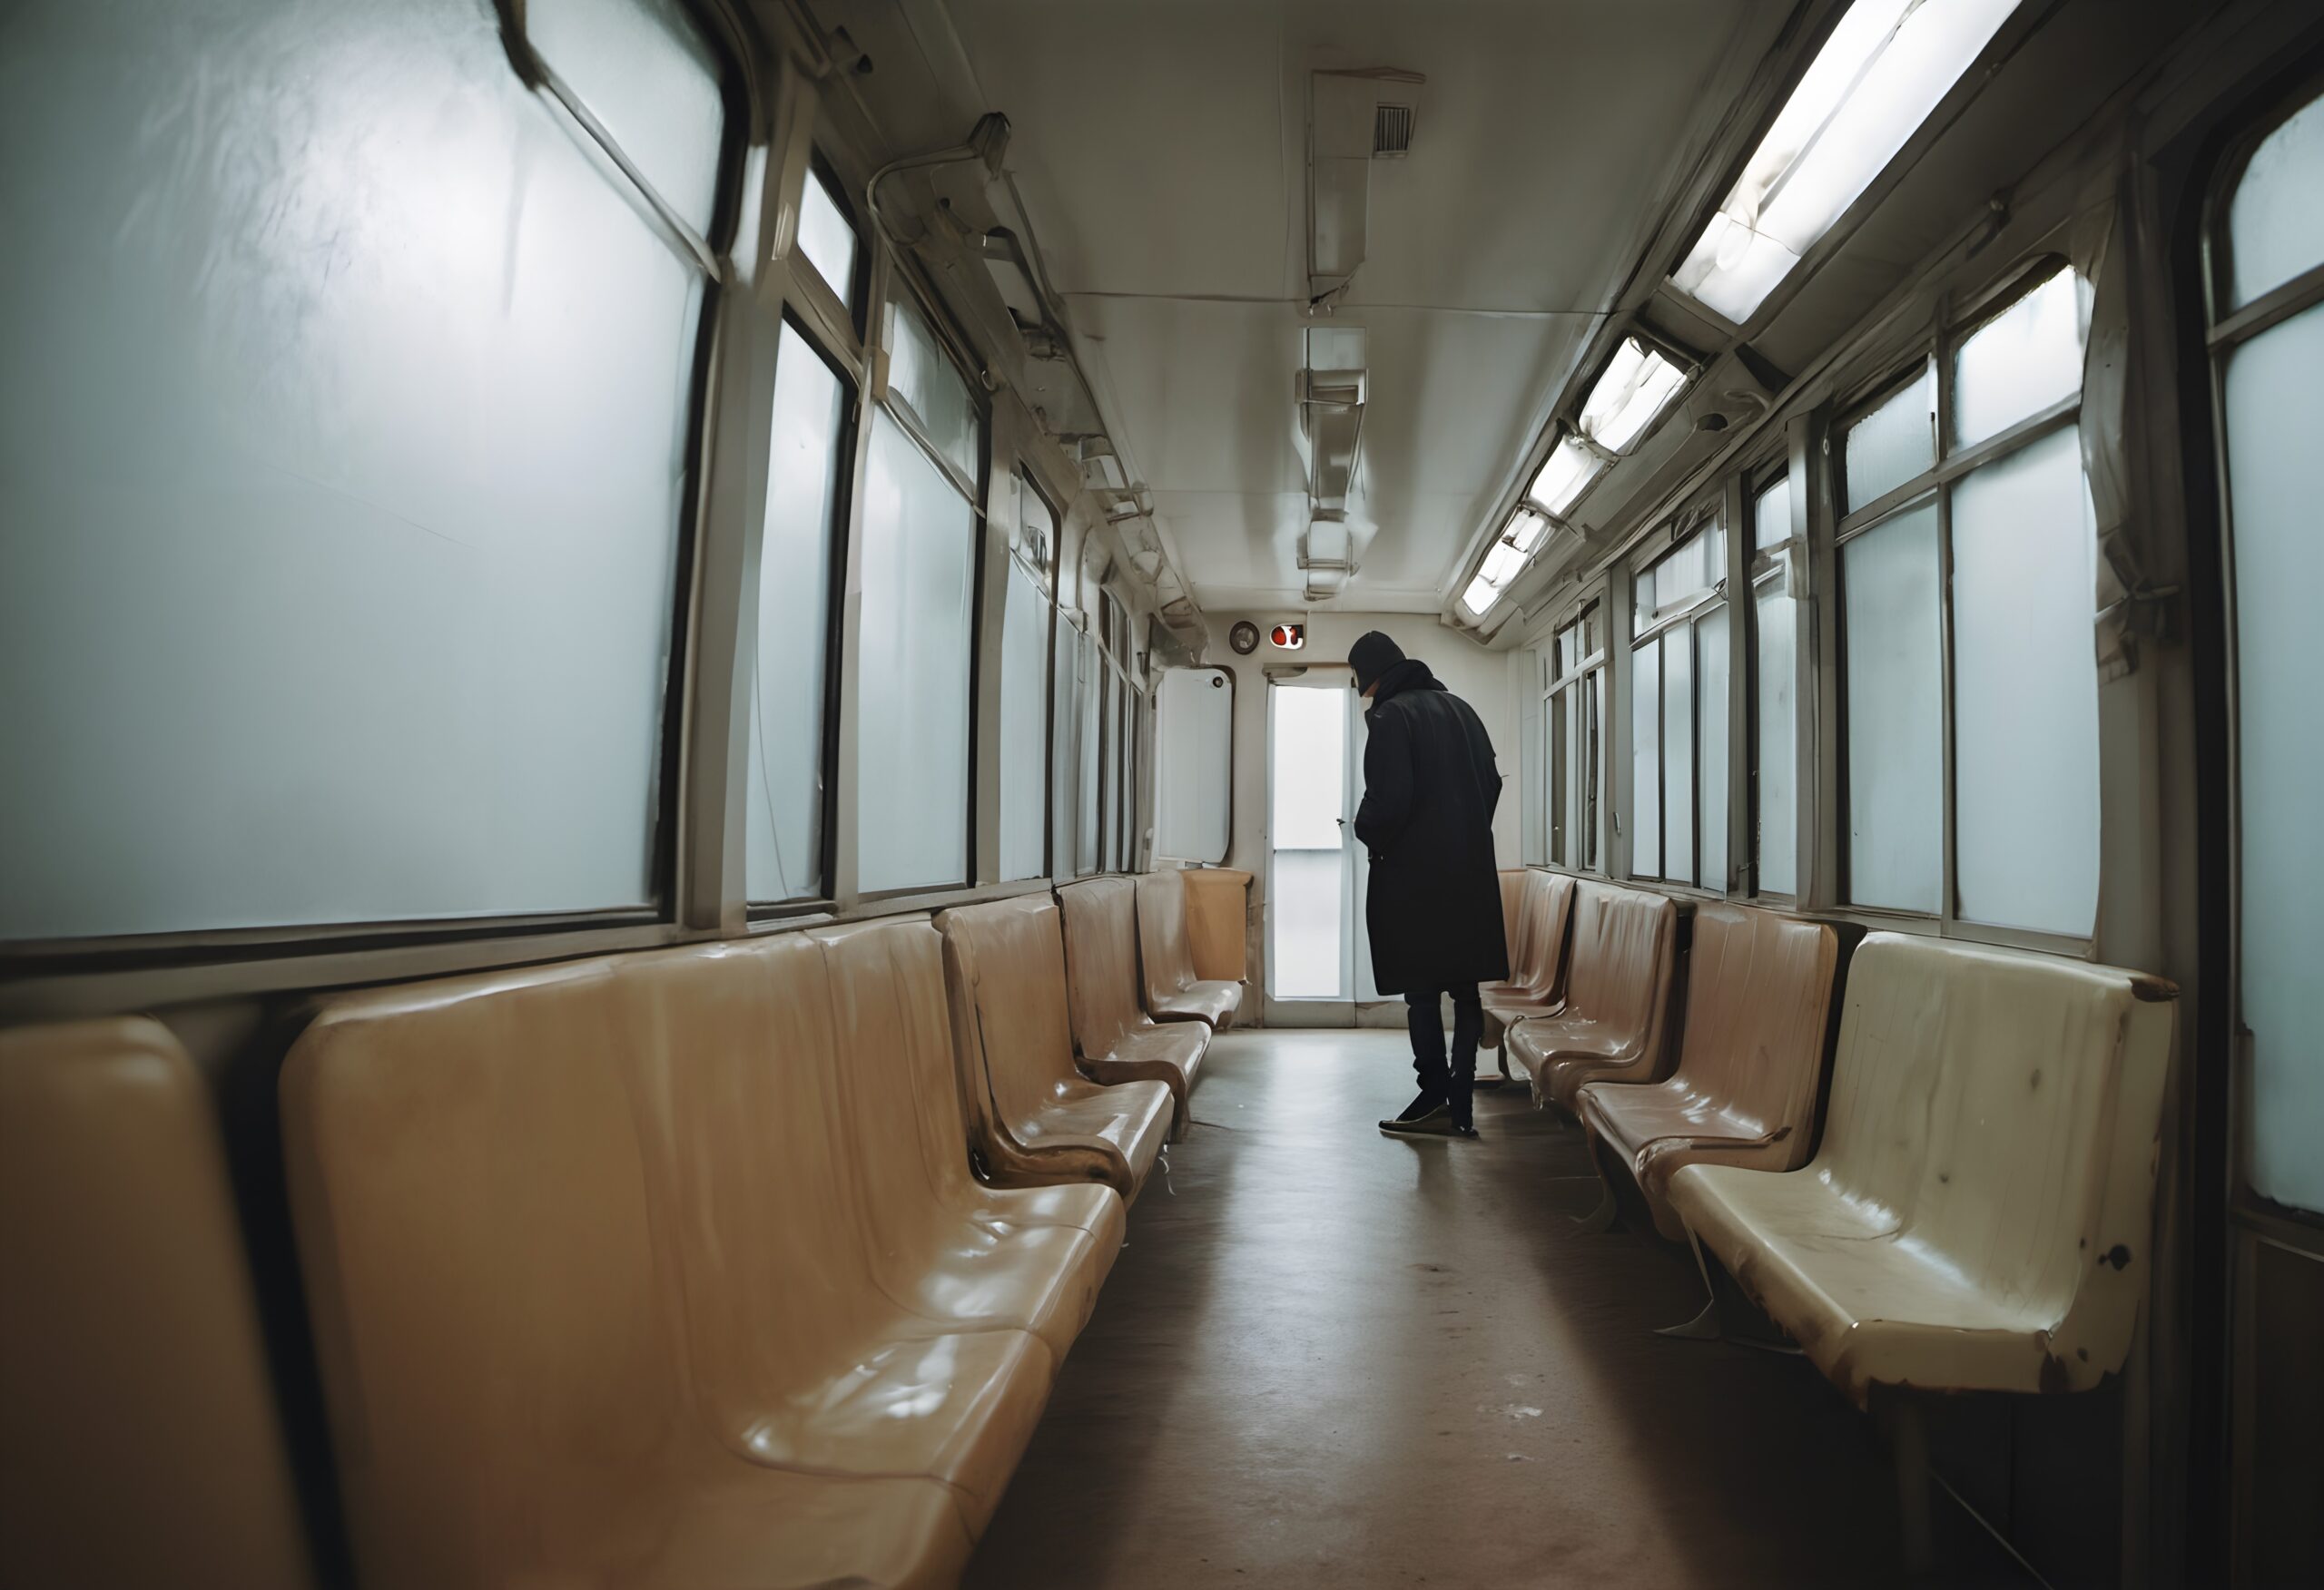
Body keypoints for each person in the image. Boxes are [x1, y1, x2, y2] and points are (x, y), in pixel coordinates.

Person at [1348, 631, 1510, 1139]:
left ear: (1370, 678)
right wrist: (1466, 834)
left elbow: (1388, 800)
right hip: (1469, 875)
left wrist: (1365, 829)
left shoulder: (1391, 716)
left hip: (1416, 880)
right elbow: (1493, 783)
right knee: (1465, 990)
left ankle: (1433, 1096)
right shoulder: (1462, 709)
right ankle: (1461, 1101)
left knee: (1421, 992)